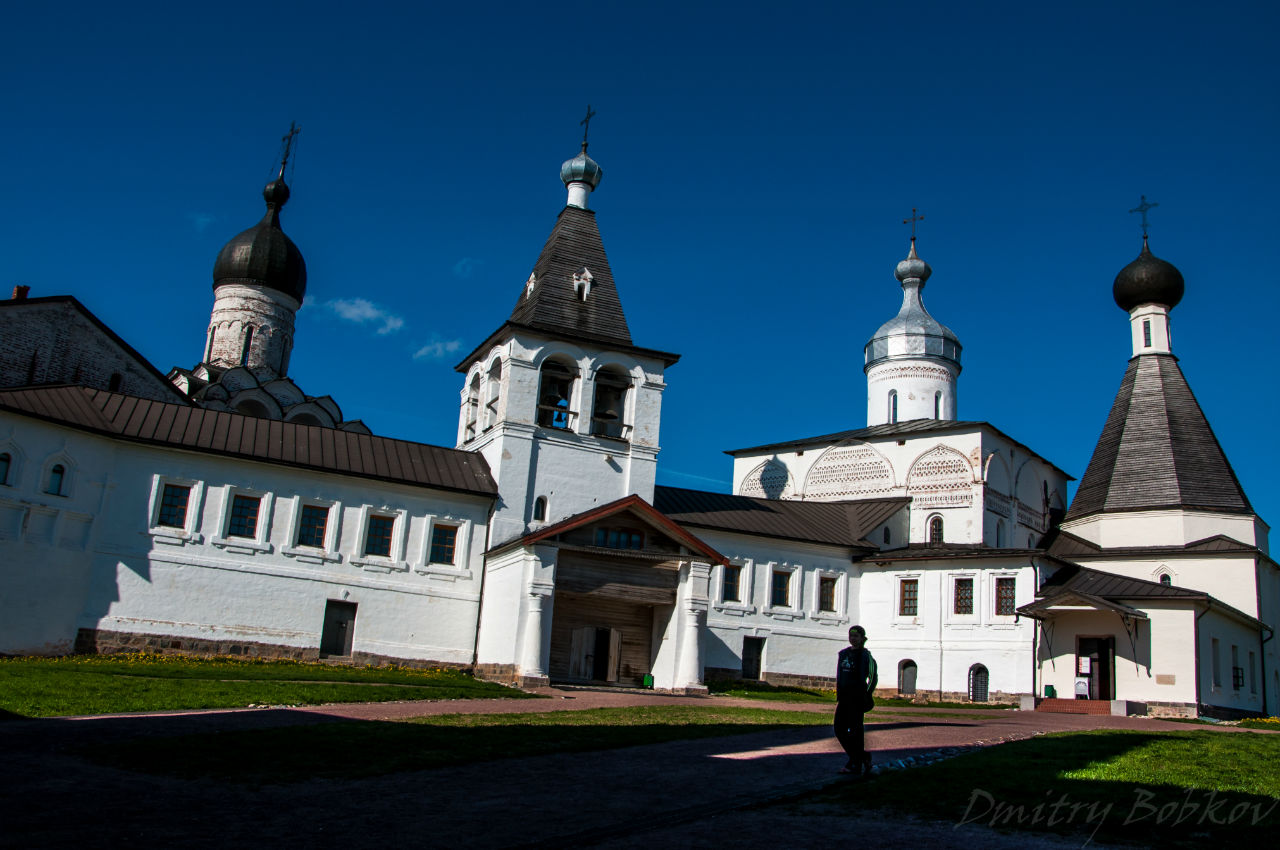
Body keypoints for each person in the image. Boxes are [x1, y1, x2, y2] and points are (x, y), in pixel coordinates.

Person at [835, 624, 877, 775]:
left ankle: (855, 763)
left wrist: (867, 694)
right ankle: (861, 757)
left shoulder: (866, 656)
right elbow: (840, 675)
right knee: (839, 729)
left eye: (856, 636)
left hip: (857, 698)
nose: (853, 638)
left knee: (855, 731)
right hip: (844, 698)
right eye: (851, 635)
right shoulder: (843, 654)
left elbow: (872, 677)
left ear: (862, 638)